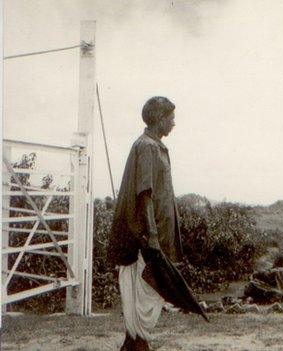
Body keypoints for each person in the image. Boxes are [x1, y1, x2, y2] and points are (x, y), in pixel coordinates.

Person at [107, 96, 183, 351]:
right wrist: (152, 235)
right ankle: (137, 343)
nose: (174, 122)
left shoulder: (153, 146)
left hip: (152, 234)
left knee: (145, 292)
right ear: (159, 119)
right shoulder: (148, 147)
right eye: (171, 117)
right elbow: (145, 194)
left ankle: (133, 341)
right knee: (146, 291)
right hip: (146, 237)